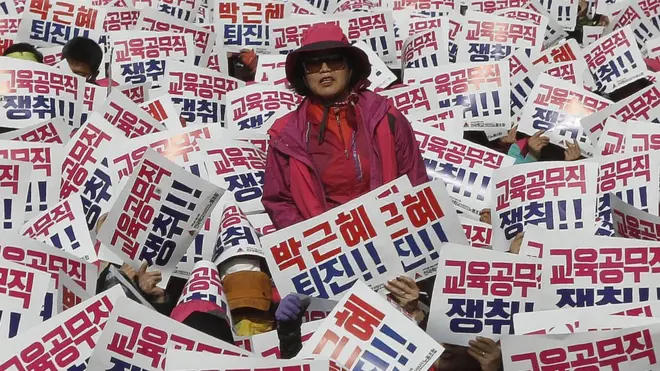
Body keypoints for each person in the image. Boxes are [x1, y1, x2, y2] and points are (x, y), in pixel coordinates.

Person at [262, 23, 428, 230]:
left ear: (350, 68)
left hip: (392, 234)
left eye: (334, 60)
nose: (324, 69)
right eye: (313, 64)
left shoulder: (388, 117)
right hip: (329, 249)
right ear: (303, 75)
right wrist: (317, 237)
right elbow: (278, 201)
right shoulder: (286, 134)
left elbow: (415, 181)